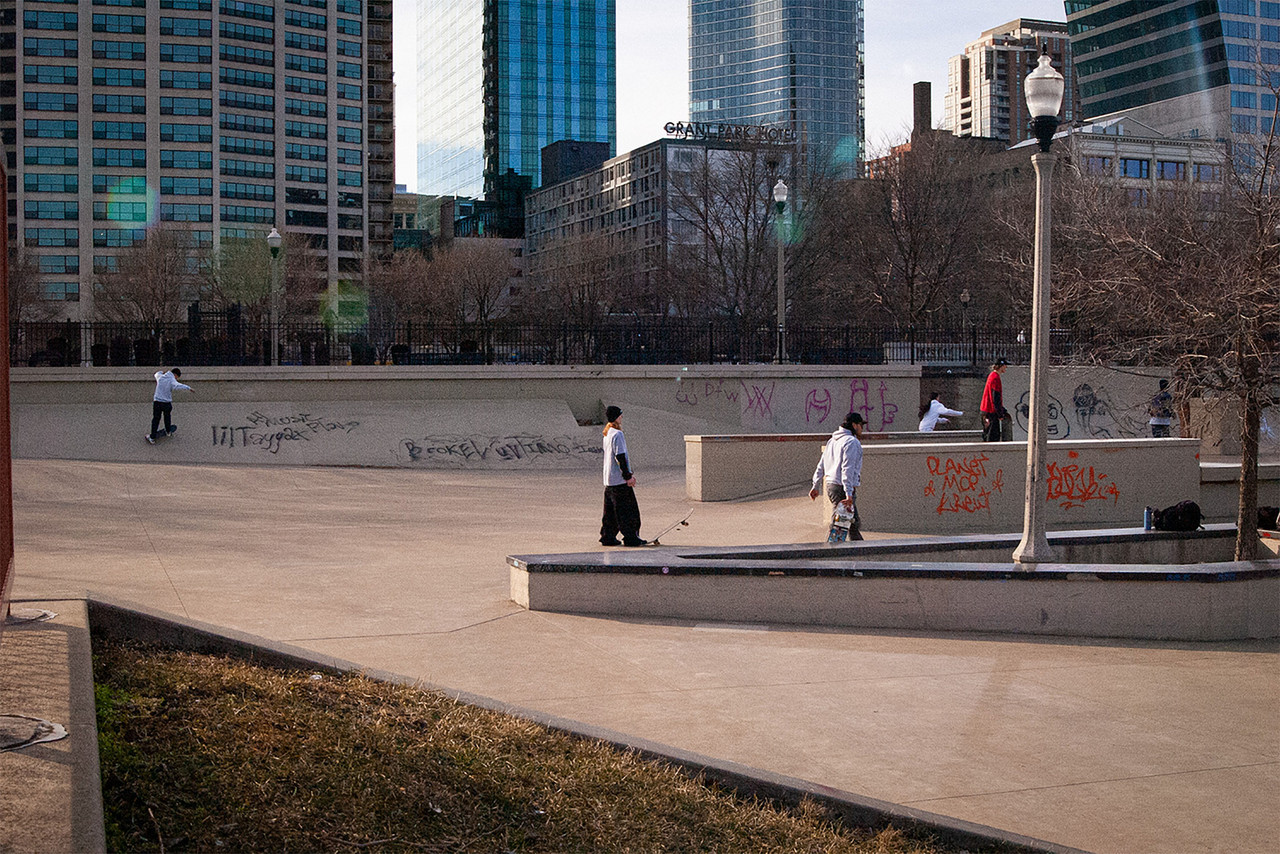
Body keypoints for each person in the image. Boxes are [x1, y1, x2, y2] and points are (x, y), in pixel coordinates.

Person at [809, 411, 865, 540]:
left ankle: (857, 549)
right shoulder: (851, 442)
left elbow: (821, 464)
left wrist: (815, 485)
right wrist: (849, 493)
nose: (862, 429)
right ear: (854, 425)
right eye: (861, 425)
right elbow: (847, 469)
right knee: (842, 523)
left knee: (850, 522)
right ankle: (834, 549)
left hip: (831, 485)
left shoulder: (832, 441)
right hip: (841, 487)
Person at [600, 405, 646, 547]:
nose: (622, 417)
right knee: (629, 511)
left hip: (609, 481)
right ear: (615, 417)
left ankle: (607, 537)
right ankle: (631, 538)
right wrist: (628, 477)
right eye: (620, 415)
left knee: (611, 513)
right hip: (619, 481)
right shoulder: (618, 434)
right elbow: (620, 457)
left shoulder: (607, 434)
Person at [147, 368, 192, 444]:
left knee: (156, 419)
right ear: (175, 375)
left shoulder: (160, 377)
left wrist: (162, 372)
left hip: (157, 402)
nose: (176, 379)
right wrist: (188, 388)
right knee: (167, 417)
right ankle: (168, 431)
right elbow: (178, 385)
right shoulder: (172, 380)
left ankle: (152, 437)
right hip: (167, 403)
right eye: (177, 377)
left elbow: (156, 373)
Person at [980, 358, 1010, 442]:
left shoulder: (992, 376)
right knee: (992, 437)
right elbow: (995, 397)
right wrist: (1000, 414)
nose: (1006, 367)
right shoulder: (995, 378)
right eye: (1005, 366)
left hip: (986, 410)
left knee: (988, 435)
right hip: (990, 412)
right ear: (1001, 366)